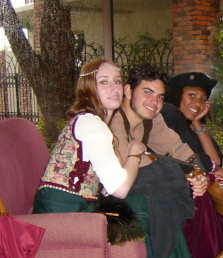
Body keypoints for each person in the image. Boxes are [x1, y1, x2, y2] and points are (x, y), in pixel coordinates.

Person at [109, 64, 214, 258]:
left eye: (159, 96)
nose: (154, 102)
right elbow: (123, 167)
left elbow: (177, 147)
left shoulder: (151, 119)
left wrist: (197, 172)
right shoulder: (114, 119)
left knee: (163, 203)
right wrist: (178, 172)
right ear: (128, 91)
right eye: (147, 92)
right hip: (104, 198)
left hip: (134, 188)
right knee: (162, 199)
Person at [34, 58, 145, 213]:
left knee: (137, 202)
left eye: (117, 81)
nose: (114, 88)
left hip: (72, 207)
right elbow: (120, 189)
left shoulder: (89, 121)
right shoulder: (92, 124)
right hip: (61, 213)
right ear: (88, 88)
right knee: (140, 204)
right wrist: (135, 154)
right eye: (104, 82)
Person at [161, 72, 223, 258]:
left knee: (214, 183)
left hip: (191, 176)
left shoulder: (188, 124)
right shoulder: (170, 117)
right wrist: (210, 170)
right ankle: (200, 254)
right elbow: (203, 163)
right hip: (175, 182)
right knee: (205, 188)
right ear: (177, 96)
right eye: (191, 96)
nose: (197, 103)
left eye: (202, 99)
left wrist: (197, 123)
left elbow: (216, 160)